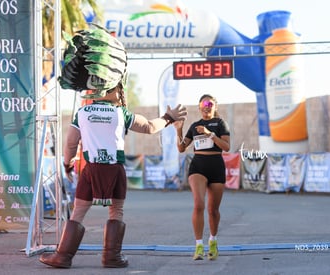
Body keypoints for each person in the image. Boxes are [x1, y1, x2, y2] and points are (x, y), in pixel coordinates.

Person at [39, 24, 187, 269]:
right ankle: (111, 257)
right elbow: (151, 126)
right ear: (112, 87)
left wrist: (67, 163)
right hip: (115, 169)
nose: (121, 92)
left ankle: (62, 257)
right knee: (116, 212)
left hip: (92, 169)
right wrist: (169, 117)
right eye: (120, 88)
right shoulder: (121, 113)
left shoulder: (82, 113)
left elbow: (70, 143)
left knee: (78, 212)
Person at [174, 94, 230, 261]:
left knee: (213, 210)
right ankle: (199, 245)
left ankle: (212, 241)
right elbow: (181, 148)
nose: (207, 106)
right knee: (199, 204)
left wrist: (209, 134)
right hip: (198, 166)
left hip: (216, 166)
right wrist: (178, 129)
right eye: (204, 103)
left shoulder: (220, 124)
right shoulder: (194, 125)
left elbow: (226, 147)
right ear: (199, 107)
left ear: (215, 107)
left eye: (210, 103)